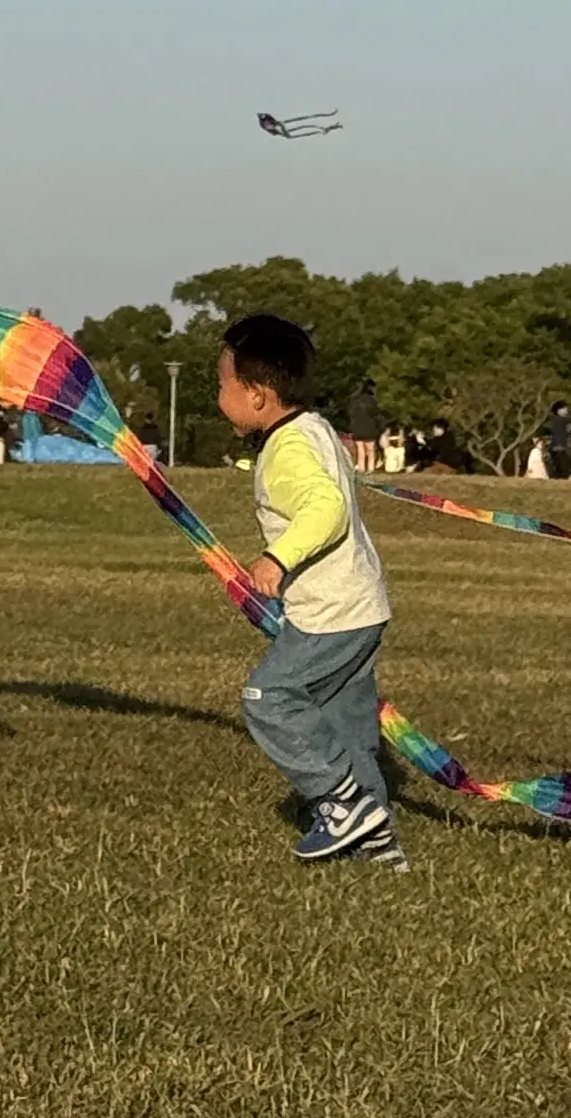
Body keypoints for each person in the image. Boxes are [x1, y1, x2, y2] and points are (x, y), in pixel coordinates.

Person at [216, 313, 403, 868]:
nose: (217, 395)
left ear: (257, 396)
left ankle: (342, 803)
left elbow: (327, 508)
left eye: (222, 384)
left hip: (332, 613)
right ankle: (379, 847)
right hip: (361, 606)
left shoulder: (288, 450)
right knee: (347, 725)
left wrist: (278, 556)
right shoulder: (313, 428)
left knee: (269, 700)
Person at [343, 378, 382, 475]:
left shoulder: (354, 400)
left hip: (357, 429)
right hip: (369, 428)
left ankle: (361, 468)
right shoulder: (371, 401)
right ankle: (370, 468)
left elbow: (350, 413)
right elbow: (376, 413)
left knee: (360, 450)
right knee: (370, 450)